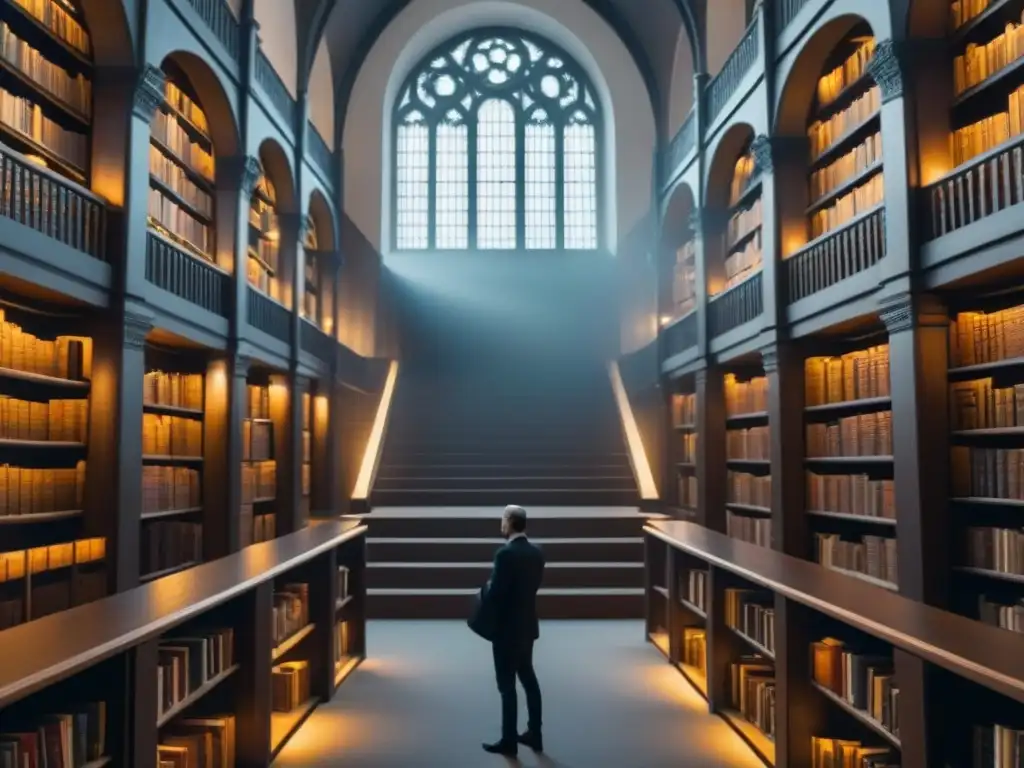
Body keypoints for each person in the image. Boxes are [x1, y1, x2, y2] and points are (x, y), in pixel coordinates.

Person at [480, 504, 546, 757]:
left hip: (506, 629)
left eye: (502, 520)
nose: (501, 524)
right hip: (527, 625)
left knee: (506, 686)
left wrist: (483, 590)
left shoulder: (504, 554)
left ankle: (509, 741)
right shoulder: (537, 553)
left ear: (509, 522)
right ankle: (535, 734)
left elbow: (496, 593)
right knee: (529, 679)